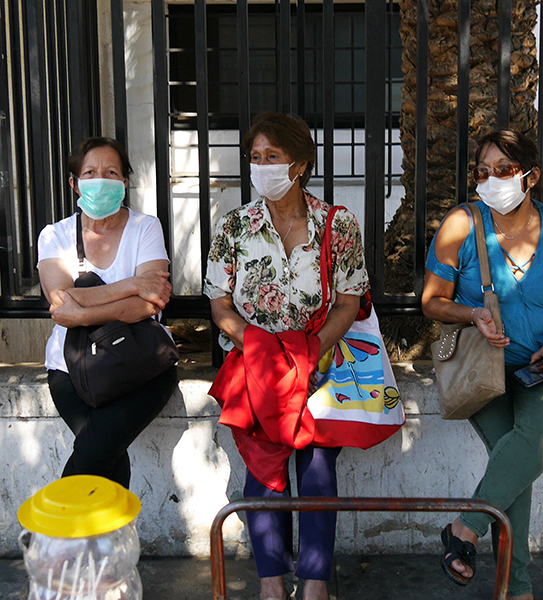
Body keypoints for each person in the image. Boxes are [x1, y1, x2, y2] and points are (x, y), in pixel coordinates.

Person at [422, 129, 543, 600]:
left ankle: (466, 529)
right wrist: (471, 314)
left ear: (530, 176)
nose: (492, 179)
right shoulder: (462, 223)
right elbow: (432, 302)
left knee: (532, 440)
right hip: (485, 368)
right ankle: (516, 589)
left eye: (504, 169)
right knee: (512, 463)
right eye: (483, 171)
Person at [204, 112, 368, 600]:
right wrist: (256, 346)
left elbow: (348, 302)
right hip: (254, 369)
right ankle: (271, 584)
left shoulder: (337, 226)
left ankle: (315, 584)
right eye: (255, 158)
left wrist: (312, 351)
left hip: (316, 366)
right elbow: (219, 303)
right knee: (263, 470)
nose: (261, 167)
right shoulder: (234, 227)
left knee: (318, 467)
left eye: (271, 157)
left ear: (299, 165)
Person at [37, 137, 178, 489]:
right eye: (90, 172)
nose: (101, 179)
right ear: (74, 183)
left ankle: (59, 537)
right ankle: (108, 543)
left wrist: (82, 312)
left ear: (125, 182)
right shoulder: (54, 236)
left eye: (111, 172)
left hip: (144, 367)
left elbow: (150, 304)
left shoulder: (146, 228)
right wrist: (132, 285)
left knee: (99, 451)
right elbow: (60, 301)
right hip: (72, 371)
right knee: (107, 453)